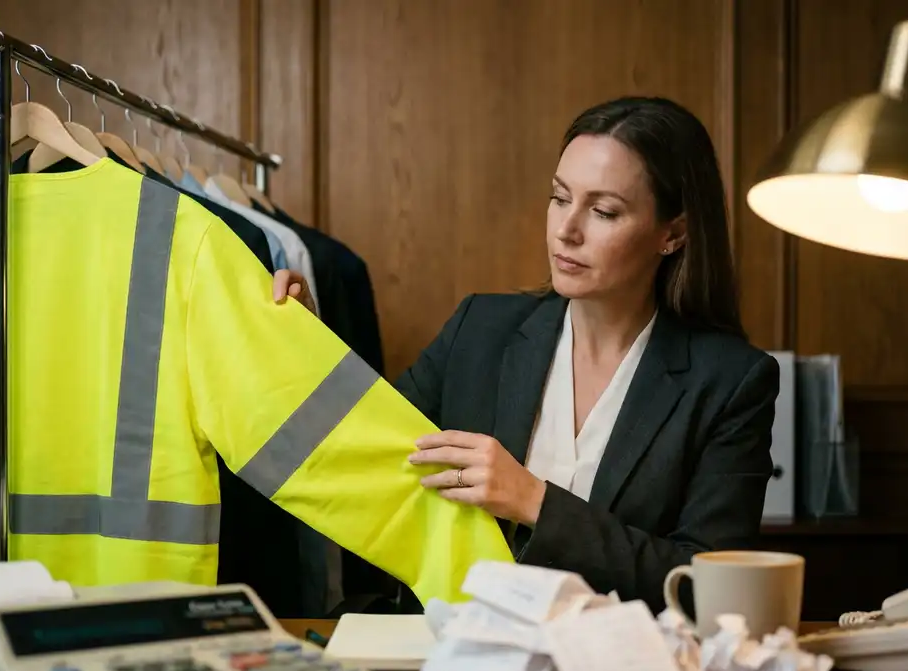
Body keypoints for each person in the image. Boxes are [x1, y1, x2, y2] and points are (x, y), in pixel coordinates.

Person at [272, 95, 780, 613]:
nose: (566, 230)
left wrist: (534, 500)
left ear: (673, 234)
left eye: (603, 211)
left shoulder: (732, 381)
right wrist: (303, 342)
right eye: (560, 198)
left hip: (617, 660)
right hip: (453, 647)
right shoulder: (479, 329)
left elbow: (706, 586)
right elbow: (362, 445)